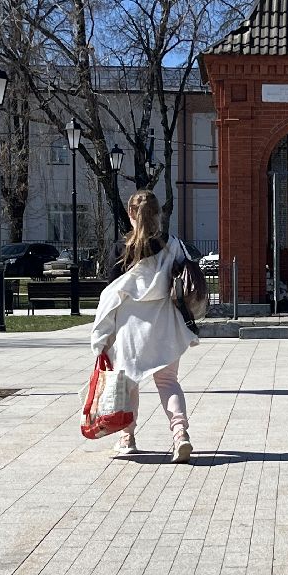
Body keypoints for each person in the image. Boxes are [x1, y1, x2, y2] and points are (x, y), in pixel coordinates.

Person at [90, 190, 198, 462]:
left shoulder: (120, 249)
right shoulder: (174, 245)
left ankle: (127, 437)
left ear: (130, 215)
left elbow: (109, 296)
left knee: (128, 384)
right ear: (159, 214)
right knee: (169, 383)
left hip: (130, 330)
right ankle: (180, 434)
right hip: (165, 327)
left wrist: (102, 336)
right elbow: (188, 282)